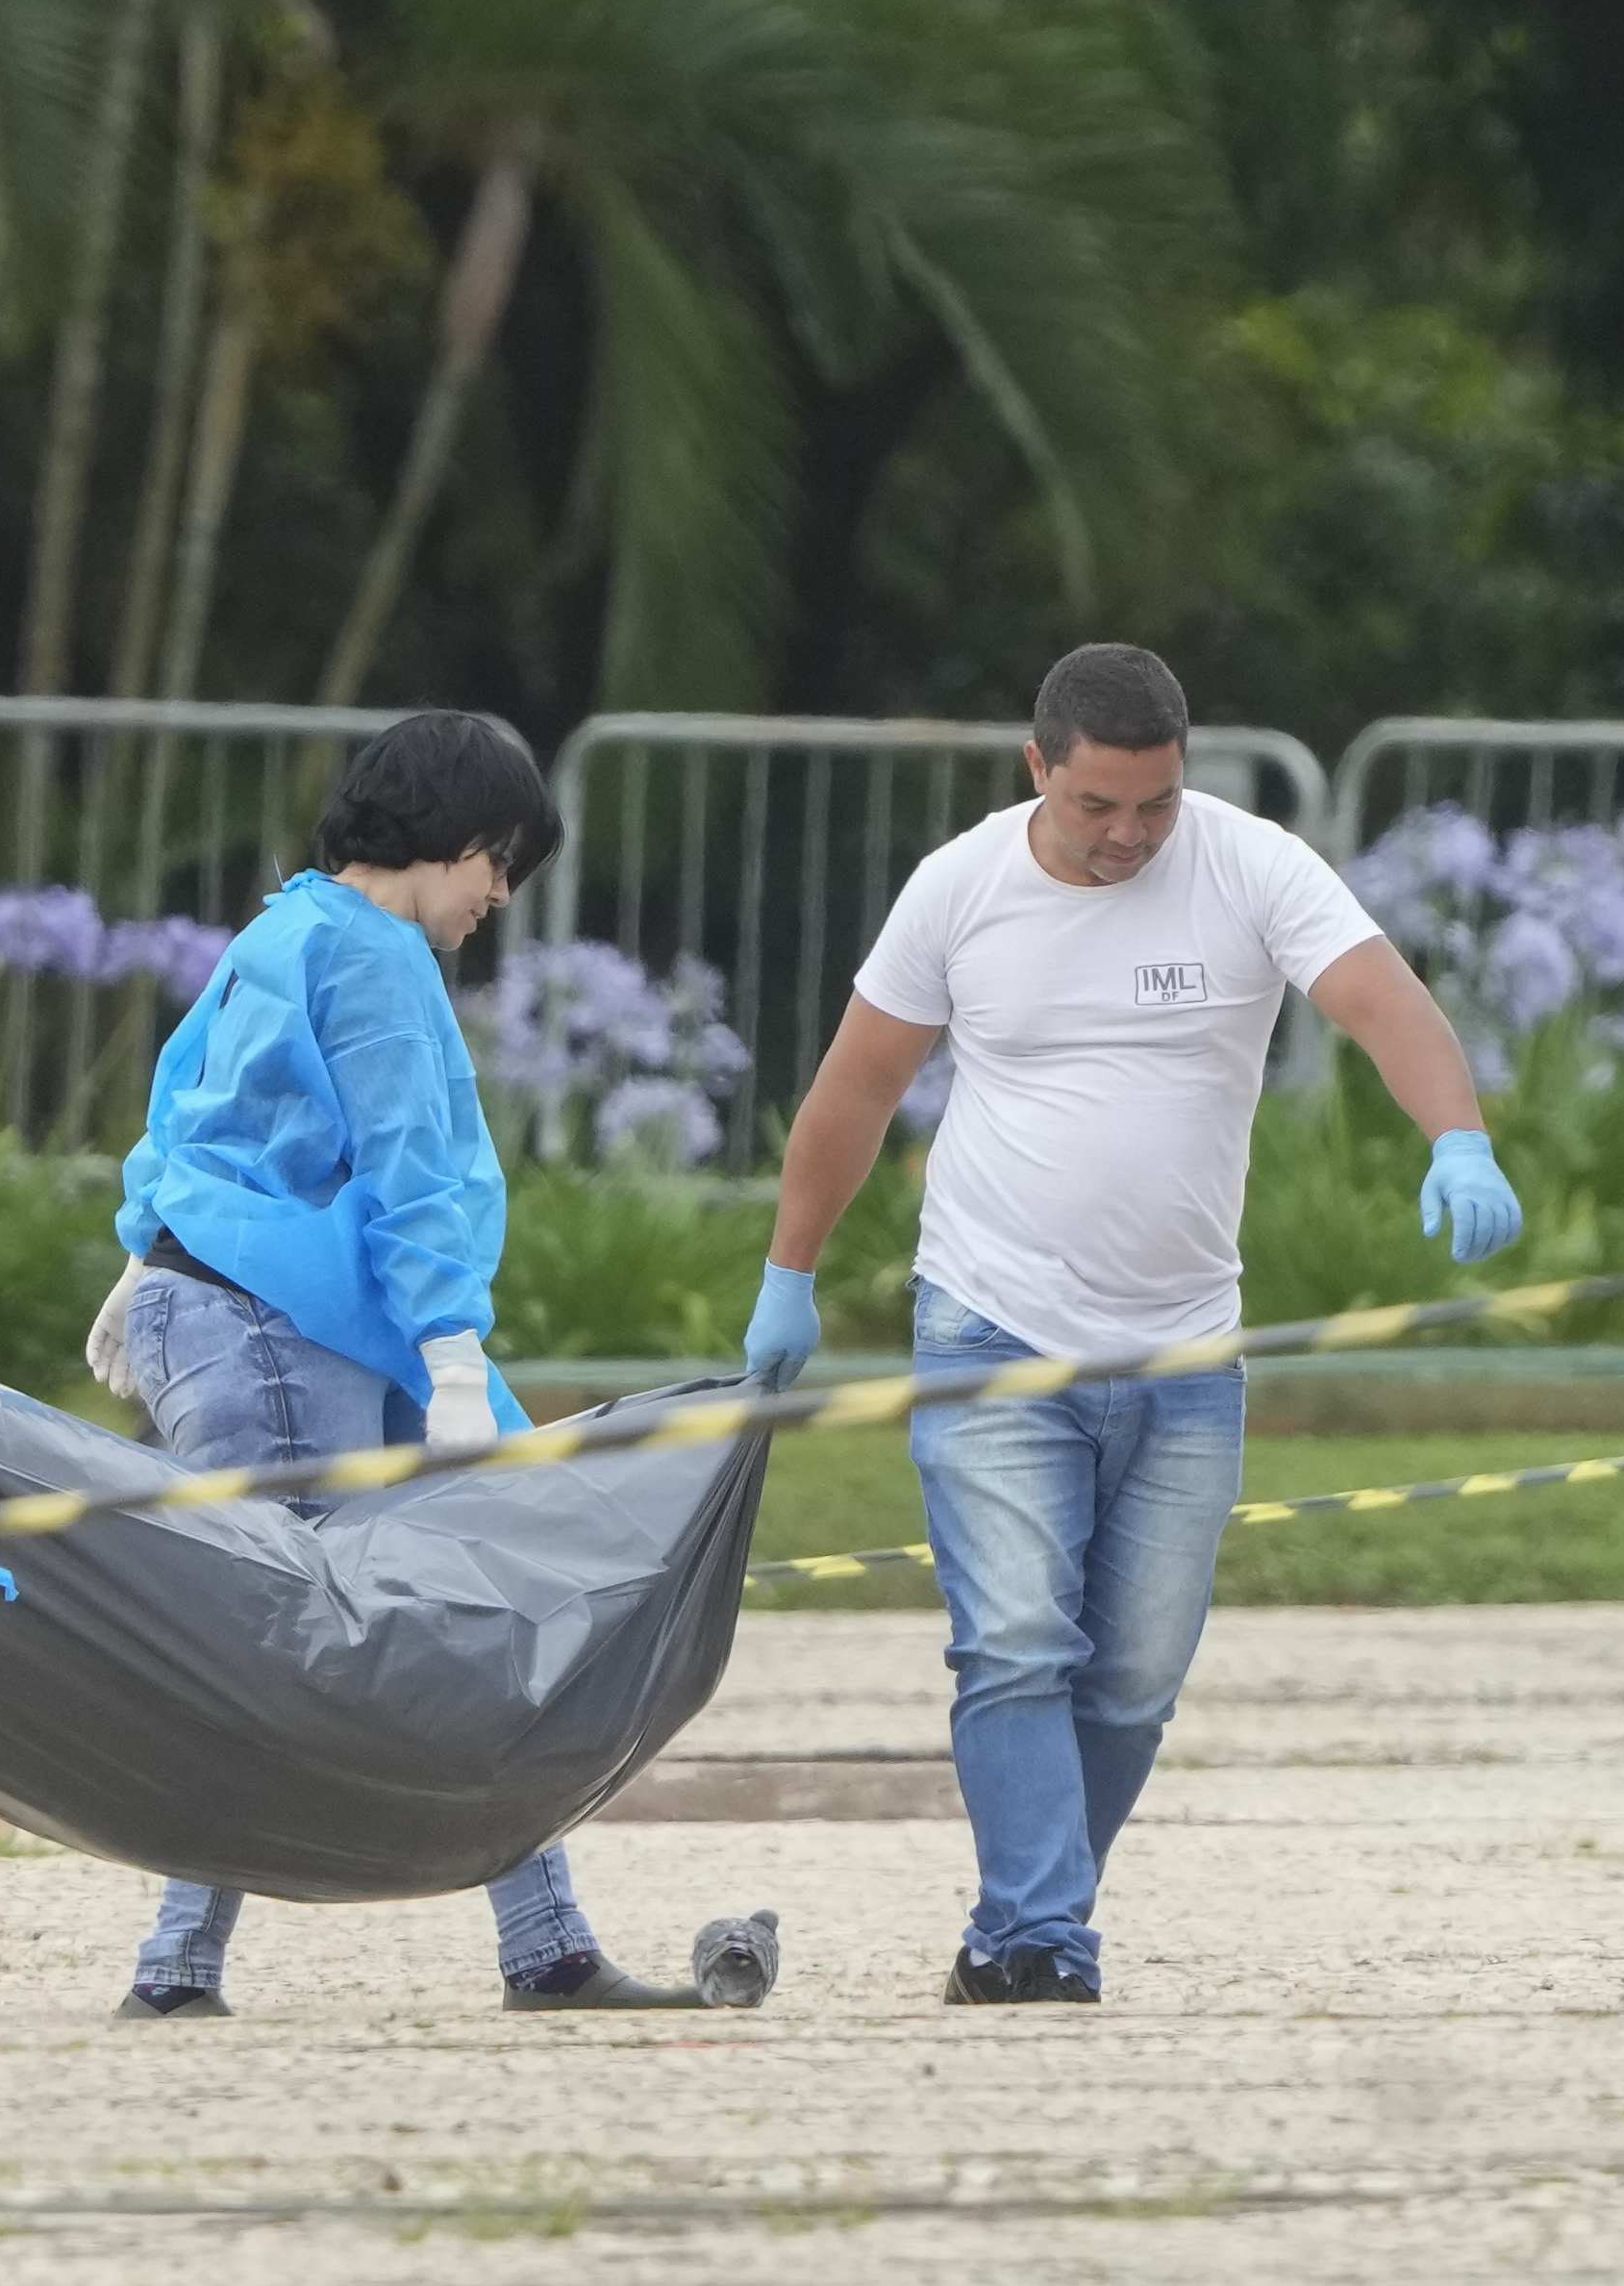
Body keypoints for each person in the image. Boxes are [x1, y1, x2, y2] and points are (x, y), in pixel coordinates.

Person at [752, 643, 1521, 2005]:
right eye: (1098, 806)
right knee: (1014, 1645)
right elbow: (858, 1087)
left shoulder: (1252, 865)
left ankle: (1013, 1933)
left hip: (1183, 1349)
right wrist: (790, 1270)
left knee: (1134, 1676)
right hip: (992, 1328)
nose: (1128, 836)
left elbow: (1381, 1003)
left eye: (1154, 806)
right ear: (1035, 767)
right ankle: (1049, 1940)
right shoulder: (960, 888)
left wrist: (1456, 1137)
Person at [90, 711, 777, 2022]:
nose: (501, 896)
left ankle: (543, 1943)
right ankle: (179, 1968)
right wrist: (454, 1355)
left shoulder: (278, 929)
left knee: (401, 1628)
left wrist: (140, 1268)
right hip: (282, 1328)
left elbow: (182, 1112)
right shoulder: (378, 960)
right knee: (331, 1641)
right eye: (499, 859)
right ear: (451, 836)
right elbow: (412, 1170)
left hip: (209, 1309)